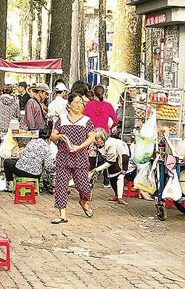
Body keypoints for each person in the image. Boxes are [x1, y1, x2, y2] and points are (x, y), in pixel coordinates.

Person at [50, 93, 96, 224]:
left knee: (84, 187)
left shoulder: (86, 120)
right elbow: (53, 135)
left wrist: (80, 147)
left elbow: (91, 137)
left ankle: (84, 202)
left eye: (80, 103)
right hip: (63, 156)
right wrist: (59, 137)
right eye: (76, 102)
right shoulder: (62, 119)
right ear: (69, 104)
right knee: (61, 185)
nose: (78, 105)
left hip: (80, 157)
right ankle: (62, 214)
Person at [91, 128, 130, 205]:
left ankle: (120, 197)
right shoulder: (94, 144)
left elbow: (111, 161)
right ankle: (116, 194)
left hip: (122, 156)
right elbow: (92, 157)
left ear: (102, 138)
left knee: (120, 175)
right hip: (110, 157)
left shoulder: (111, 144)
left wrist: (97, 169)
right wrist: (92, 169)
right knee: (111, 176)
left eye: (97, 139)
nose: (96, 141)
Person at [0, 85, 20, 172]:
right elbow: (18, 115)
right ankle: (6, 166)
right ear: (11, 92)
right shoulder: (15, 102)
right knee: (8, 146)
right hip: (10, 128)